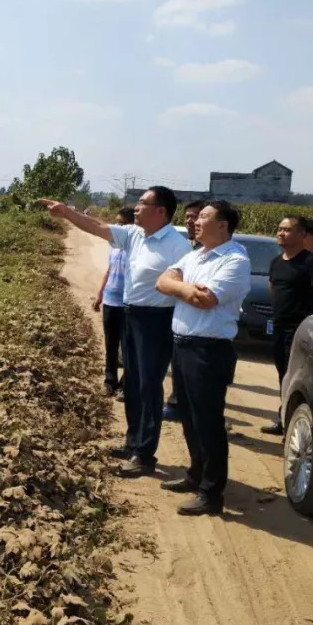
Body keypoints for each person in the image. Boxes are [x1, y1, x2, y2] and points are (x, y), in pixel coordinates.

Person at [41, 187, 191, 476]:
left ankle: (145, 454)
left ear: (161, 211)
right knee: (132, 383)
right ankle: (133, 441)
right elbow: (97, 227)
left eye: (143, 203)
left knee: (149, 385)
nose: (135, 208)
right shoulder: (134, 235)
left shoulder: (177, 246)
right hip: (131, 314)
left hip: (158, 319)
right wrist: (67, 212)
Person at [156, 200, 251, 515]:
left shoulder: (234, 260)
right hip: (182, 345)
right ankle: (196, 475)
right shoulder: (195, 254)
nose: (195, 222)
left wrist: (179, 289)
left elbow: (206, 299)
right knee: (188, 418)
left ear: (223, 224)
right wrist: (185, 288)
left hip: (208, 351)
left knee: (208, 423)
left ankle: (212, 494)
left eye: (204, 218)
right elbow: (162, 282)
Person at [262, 215, 313, 435]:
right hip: (280, 327)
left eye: (287, 229)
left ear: (302, 234)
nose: (281, 233)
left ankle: (295, 425)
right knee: (283, 373)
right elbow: (273, 289)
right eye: (279, 228)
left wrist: (310, 318)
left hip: (300, 329)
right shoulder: (276, 262)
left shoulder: (312, 262)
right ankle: (283, 419)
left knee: (298, 377)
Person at [163, 200, 206, 421]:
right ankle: (177, 401)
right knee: (176, 361)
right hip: (175, 311)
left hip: (198, 318)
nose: (191, 221)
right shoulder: (181, 245)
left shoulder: (210, 251)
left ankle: (189, 406)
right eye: (188, 216)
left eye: (196, 216)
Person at [93, 207, 136, 397]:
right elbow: (109, 271)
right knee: (110, 345)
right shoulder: (114, 246)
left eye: (123, 223)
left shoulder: (137, 248)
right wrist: (100, 293)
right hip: (111, 300)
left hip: (129, 303)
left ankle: (126, 385)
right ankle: (109, 382)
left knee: (128, 346)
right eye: (117, 222)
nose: (118, 226)